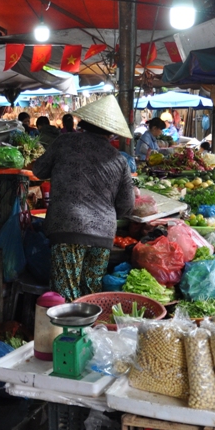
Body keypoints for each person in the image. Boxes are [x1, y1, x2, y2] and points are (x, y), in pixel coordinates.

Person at [32, 95, 135, 301]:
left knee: (66, 295)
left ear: (85, 122)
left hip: (67, 227)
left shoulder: (64, 142)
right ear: (111, 131)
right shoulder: (119, 160)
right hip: (102, 232)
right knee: (91, 294)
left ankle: (68, 331)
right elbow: (126, 206)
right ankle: (89, 331)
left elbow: (39, 170)